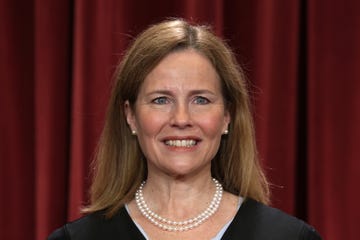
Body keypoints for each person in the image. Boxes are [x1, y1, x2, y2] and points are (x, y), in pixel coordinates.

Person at [48, 19, 322, 240]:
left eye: (200, 100)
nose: (181, 118)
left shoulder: (289, 237)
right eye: (161, 100)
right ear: (130, 116)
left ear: (227, 116)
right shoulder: (77, 238)